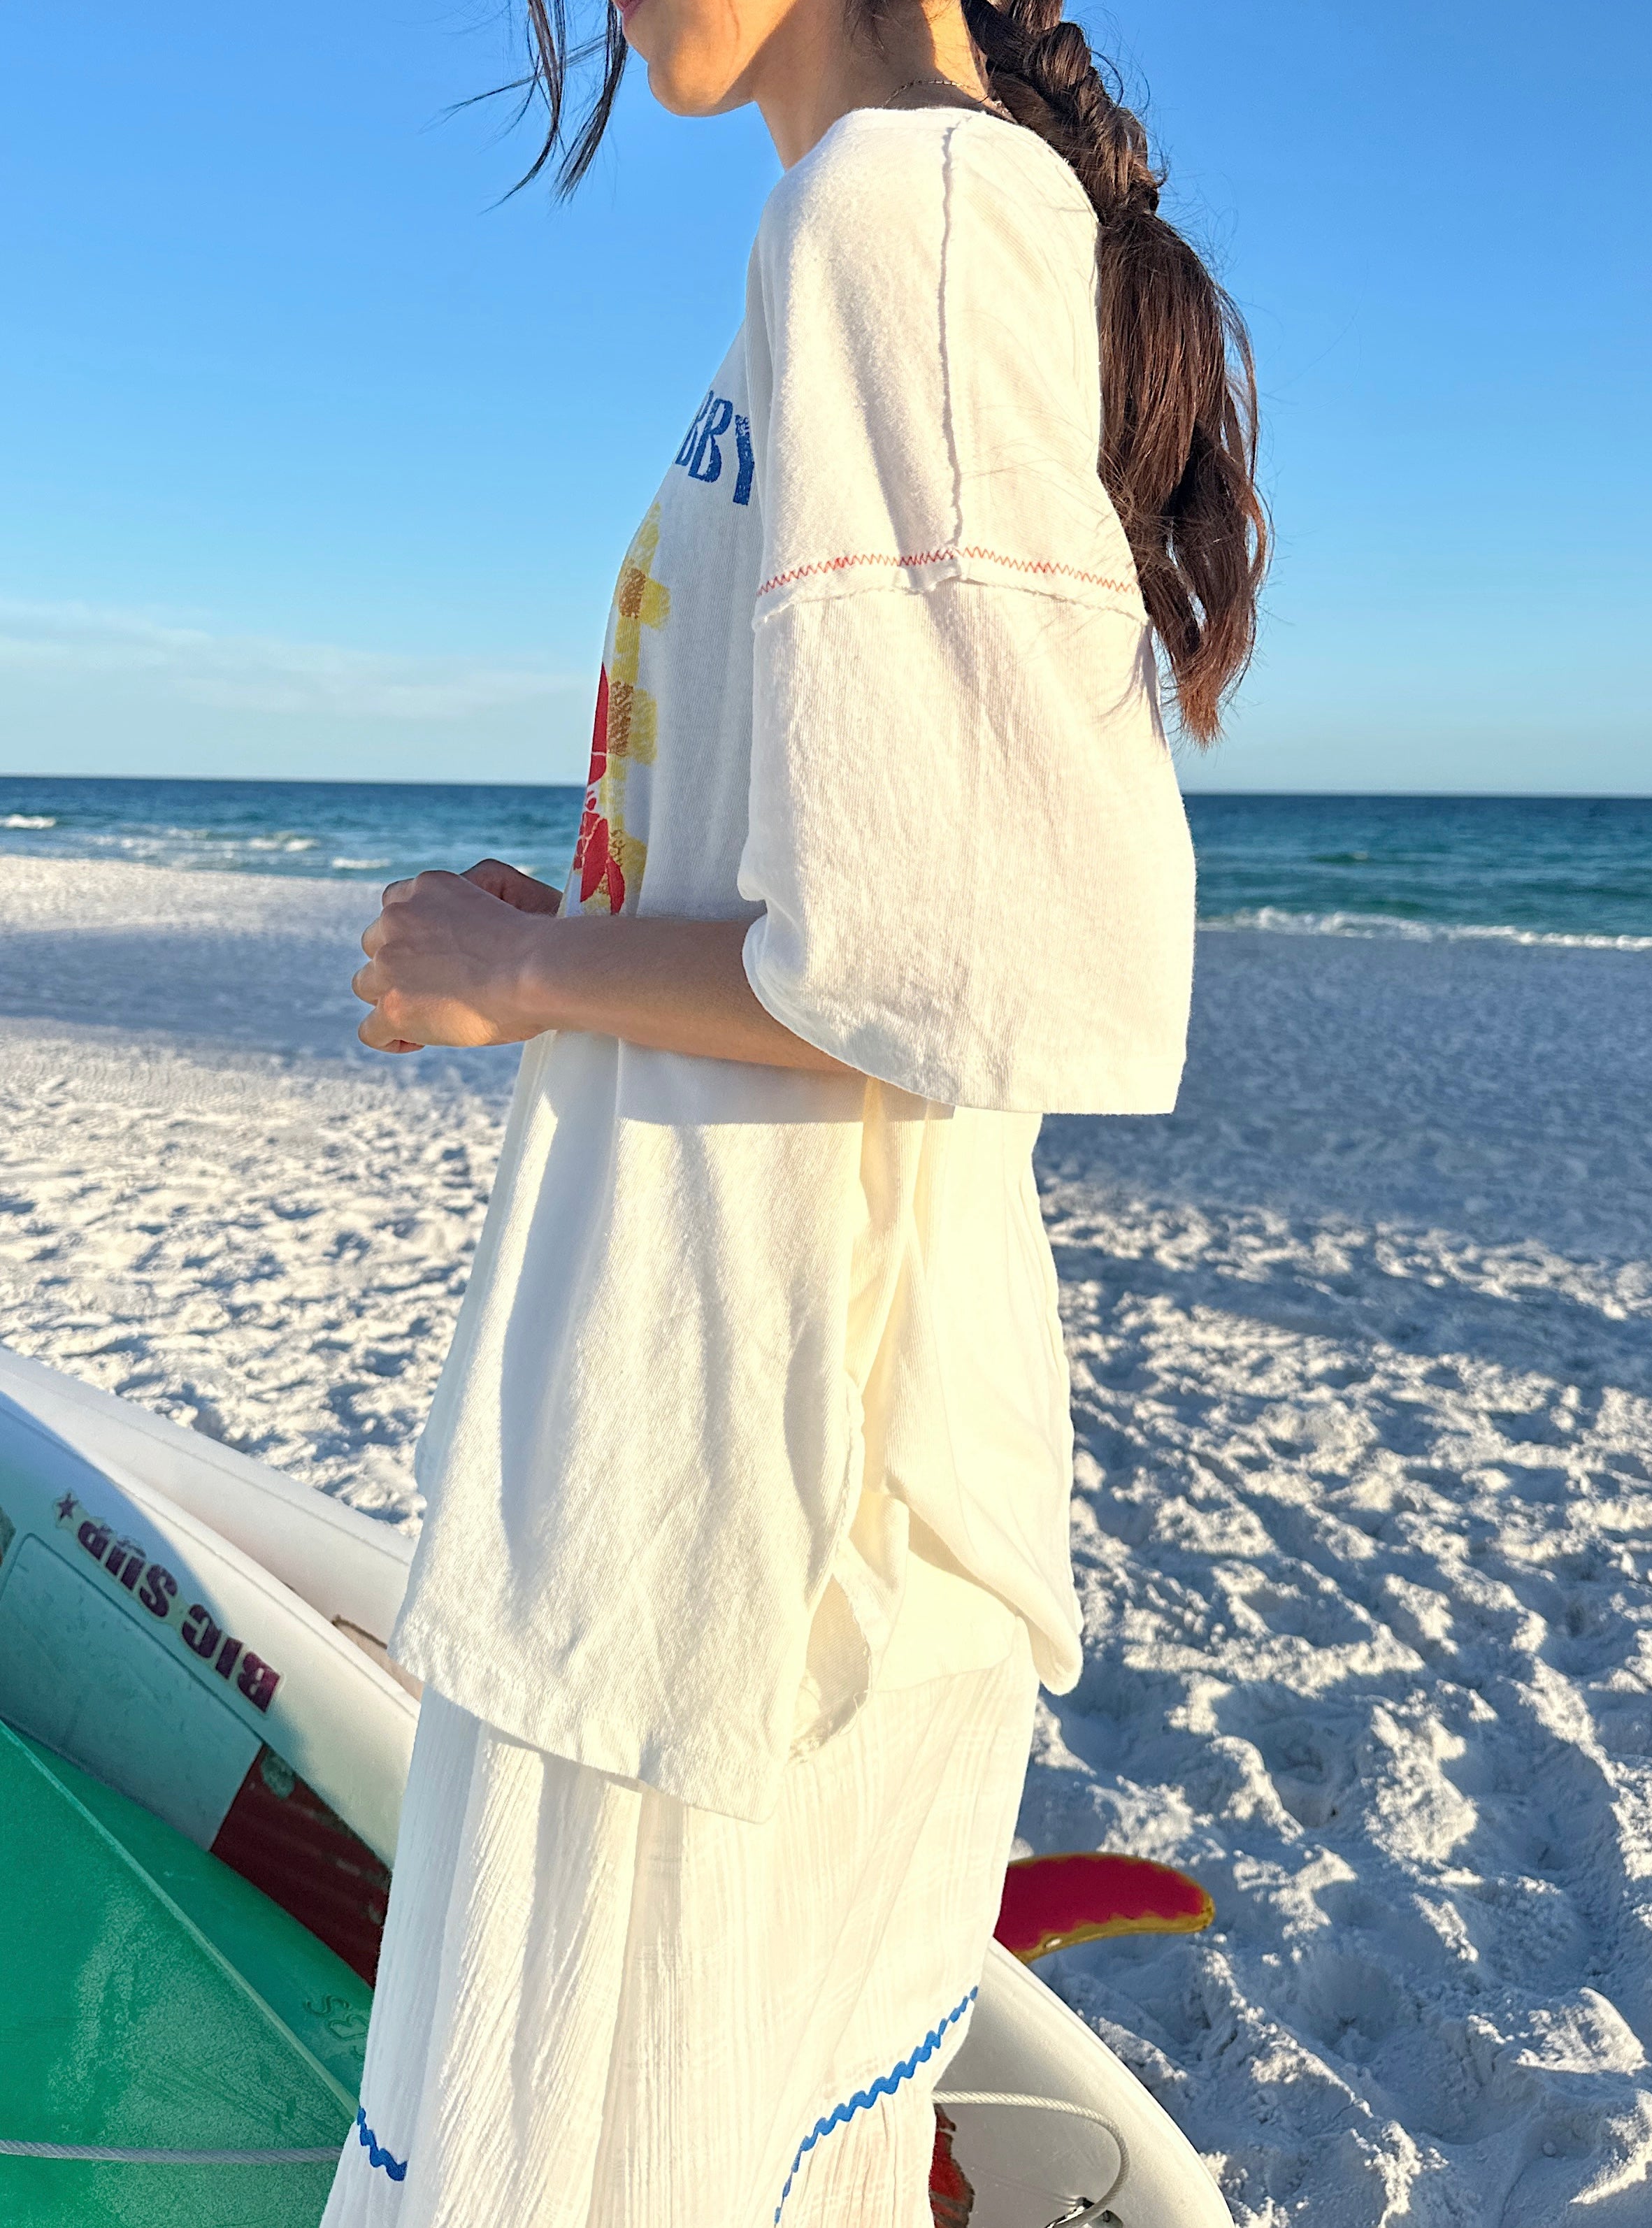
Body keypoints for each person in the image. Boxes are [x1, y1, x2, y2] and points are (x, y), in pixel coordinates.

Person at [326, 0, 1265, 2217]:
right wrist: (585, 933)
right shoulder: (887, 222)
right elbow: (867, 895)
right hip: (707, 1466)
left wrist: (528, 976)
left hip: (753, 1517)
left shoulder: (902, 209)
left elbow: (999, 951)